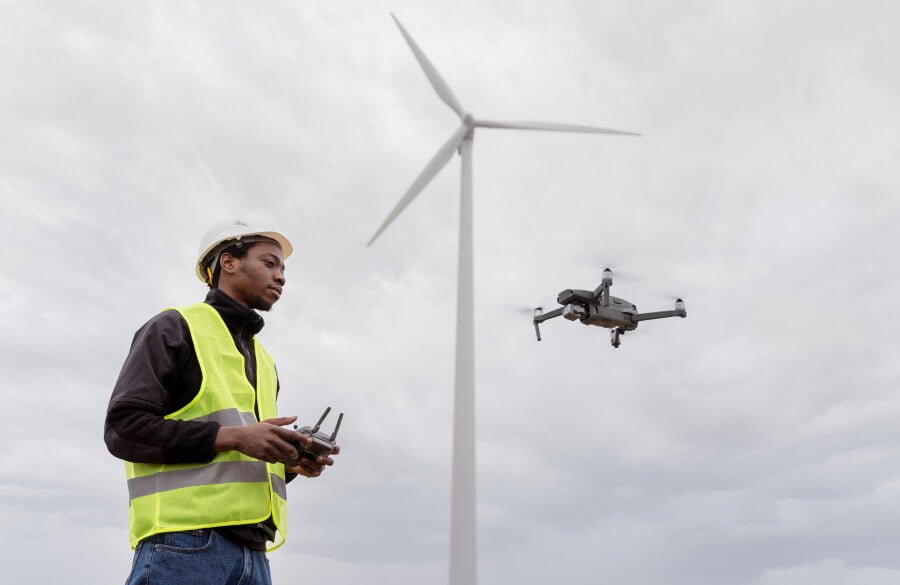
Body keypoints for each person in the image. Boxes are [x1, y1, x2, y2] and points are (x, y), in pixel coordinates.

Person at [105, 218, 338, 585]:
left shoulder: (263, 358)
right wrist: (232, 437)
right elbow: (123, 428)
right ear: (228, 262)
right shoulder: (173, 328)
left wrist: (291, 461)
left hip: (254, 557)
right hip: (184, 545)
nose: (281, 277)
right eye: (269, 263)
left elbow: (238, 463)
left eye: (283, 269)